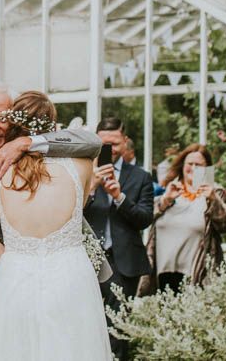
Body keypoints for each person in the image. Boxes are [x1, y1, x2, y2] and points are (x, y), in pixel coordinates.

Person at [0, 91, 111, 360]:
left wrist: (19, 262)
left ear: (13, 124)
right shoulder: (82, 164)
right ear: (53, 126)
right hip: (71, 273)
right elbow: (81, 203)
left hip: (14, 276)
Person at [83, 116, 154, 361]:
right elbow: (69, 213)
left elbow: (145, 218)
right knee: (89, 324)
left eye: (114, 144)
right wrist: (91, 187)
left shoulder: (141, 176)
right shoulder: (84, 172)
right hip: (89, 260)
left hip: (125, 262)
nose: (110, 150)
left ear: (124, 142)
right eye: (104, 144)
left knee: (118, 328)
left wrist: (119, 197)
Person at [140, 143, 226, 294]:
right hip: (162, 272)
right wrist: (165, 200)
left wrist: (213, 199)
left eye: (199, 165)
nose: (193, 168)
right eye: (190, 163)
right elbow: (143, 217)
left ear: (207, 168)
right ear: (182, 165)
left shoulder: (215, 192)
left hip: (198, 274)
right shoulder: (170, 188)